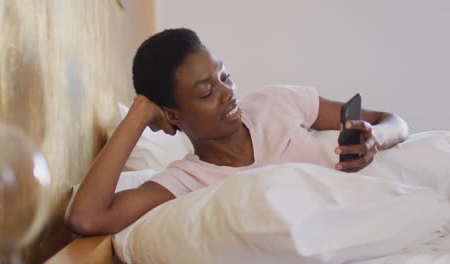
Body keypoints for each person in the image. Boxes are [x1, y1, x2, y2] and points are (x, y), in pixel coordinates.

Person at [67, 28, 409, 235]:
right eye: (206, 92)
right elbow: (86, 217)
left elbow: (395, 121)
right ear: (172, 114)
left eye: (225, 77)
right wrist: (140, 112)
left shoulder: (276, 102)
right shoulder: (186, 180)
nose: (228, 92)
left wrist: (376, 138)